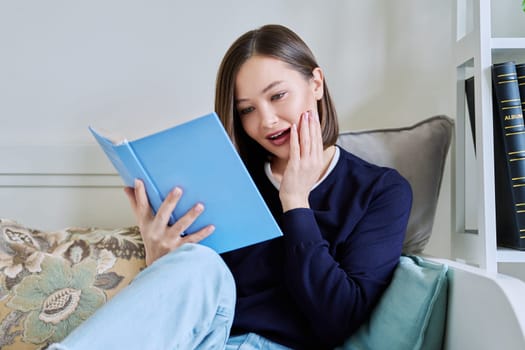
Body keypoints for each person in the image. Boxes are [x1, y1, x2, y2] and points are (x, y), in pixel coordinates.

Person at [49, 24, 412, 350]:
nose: (266, 120)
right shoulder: (228, 178)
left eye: (277, 96)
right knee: (200, 262)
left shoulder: (379, 191)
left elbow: (338, 320)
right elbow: (192, 298)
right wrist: (160, 261)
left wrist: (296, 202)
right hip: (203, 338)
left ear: (315, 83)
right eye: (246, 110)